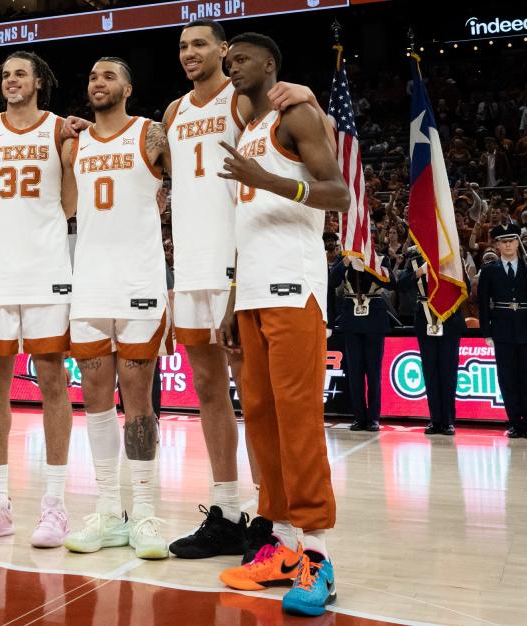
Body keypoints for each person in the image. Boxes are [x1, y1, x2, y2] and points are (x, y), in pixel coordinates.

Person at [160, 19, 326, 561]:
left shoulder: (245, 103)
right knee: (223, 396)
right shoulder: (173, 112)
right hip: (200, 269)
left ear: (227, 52)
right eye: (183, 45)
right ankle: (229, 510)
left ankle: (275, 521)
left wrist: (309, 92)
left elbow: (304, 135)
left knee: (276, 404)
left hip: (247, 265)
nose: (191, 53)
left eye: (202, 44)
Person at [215, 33, 349, 617]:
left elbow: (339, 194)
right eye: (229, 60)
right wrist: (230, 300)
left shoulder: (296, 112)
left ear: (271, 63)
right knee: (262, 422)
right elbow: (245, 225)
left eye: (240, 58)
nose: (231, 66)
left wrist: (271, 180)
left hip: (295, 288)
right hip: (252, 292)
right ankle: (282, 547)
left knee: (298, 420)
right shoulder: (247, 127)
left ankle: (318, 557)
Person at [59, 57, 172, 560]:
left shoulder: (152, 135)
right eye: (91, 76)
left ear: (128, 86)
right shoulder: (73, 142)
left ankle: (145, 511)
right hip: (88, 286)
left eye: (108, 76)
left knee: (139, 403)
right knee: (97, 402)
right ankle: (109, 511)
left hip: (140, 283)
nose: (97, 82)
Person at [0, 51, 76, 549]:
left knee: (52, 380)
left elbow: (71, 203)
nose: (12, 80)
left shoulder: (60, 130)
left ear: (39, 81)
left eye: (21, 73)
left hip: (48, 268)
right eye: (6, 74)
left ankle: (55, 505)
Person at [477, 224, 527, 438]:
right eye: (503, 241)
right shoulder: (490, 270)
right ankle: (513, 422)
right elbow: (482, 303)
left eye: (512, 240)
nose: (508, 244)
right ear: (497, 244)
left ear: (518, 242)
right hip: (503, 330)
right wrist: (486, 332)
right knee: (507, 378)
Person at [399, 249, 466, 435]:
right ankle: (435, 420)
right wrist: (419, 272)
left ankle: (449, 421)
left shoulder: (452, 258)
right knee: (430, 373)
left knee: (449, 373)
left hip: (449, 321)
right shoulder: (414, 261)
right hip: (425, 321)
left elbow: (465, 286)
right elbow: (401, 285)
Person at [330, 253, 395, 431]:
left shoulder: (381, 259)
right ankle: (359, 417)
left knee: (373, 372)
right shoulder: (344, 259)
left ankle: (374, 417)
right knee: (355, 372)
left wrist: (371, 265)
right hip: (352, 318)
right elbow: (332, 281)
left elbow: (391, 282)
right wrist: (346, 261)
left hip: (374, 317)